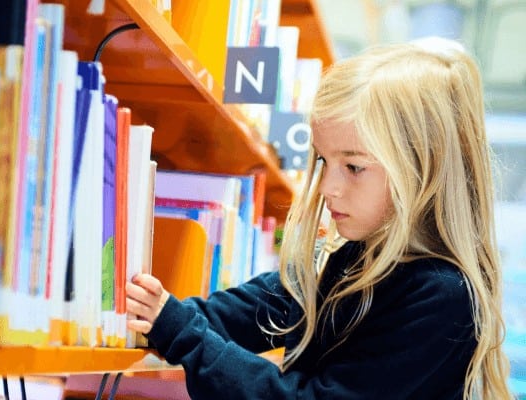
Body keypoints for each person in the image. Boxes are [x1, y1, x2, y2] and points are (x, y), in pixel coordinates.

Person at [125, 38, 513, 399]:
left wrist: (180, 331)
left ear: (420, 169)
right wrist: (147, 315)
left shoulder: (441, 296)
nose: (328, 186)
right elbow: (224, 317)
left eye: (354, 166)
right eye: (324, 160)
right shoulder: (344, 260)